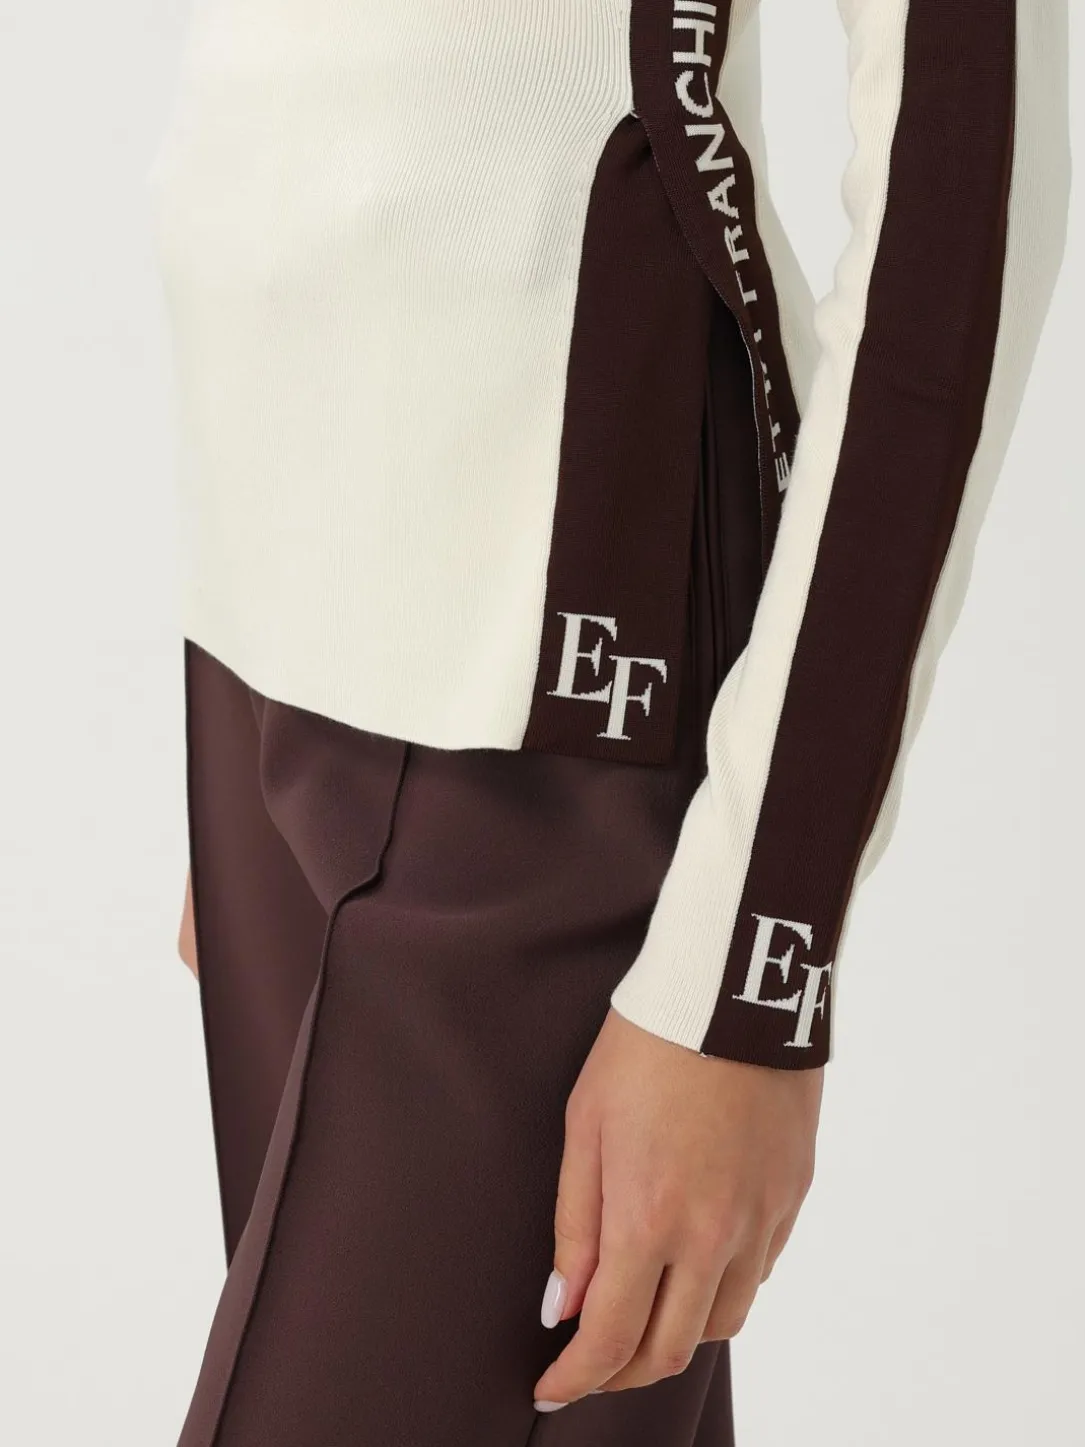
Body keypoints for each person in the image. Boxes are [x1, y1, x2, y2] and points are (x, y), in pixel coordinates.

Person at [147, 2, 1069, 1443]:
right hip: (283, 658)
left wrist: (749, 973)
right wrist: (264, 669)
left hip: (556, 693)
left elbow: (961, 186)